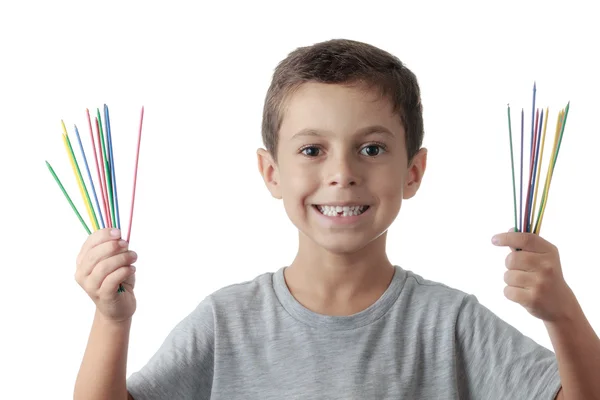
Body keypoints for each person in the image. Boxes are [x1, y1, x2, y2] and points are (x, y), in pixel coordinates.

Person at [72, 39, 600, 400]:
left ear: (413, 172)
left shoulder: (450, 325)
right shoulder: (223, 323)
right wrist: (112, 321)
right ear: (271, 172)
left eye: (371, 148)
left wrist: (563, 314)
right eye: (312, 150)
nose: (342, 173)